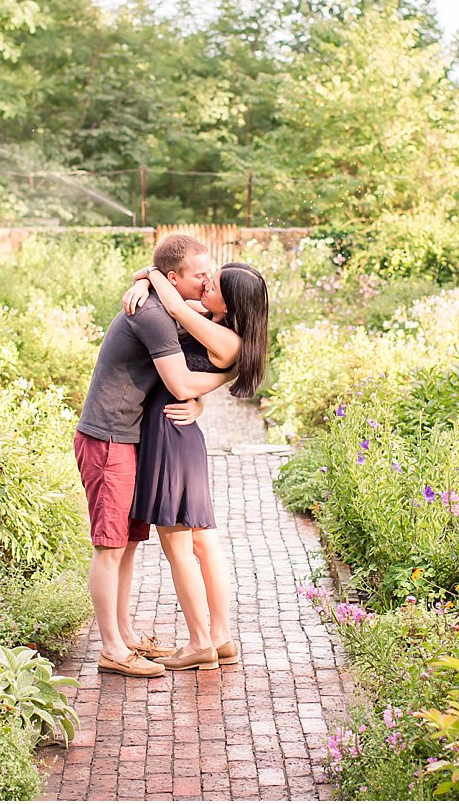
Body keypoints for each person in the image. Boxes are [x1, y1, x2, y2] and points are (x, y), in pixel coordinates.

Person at [72, 234, 230, 678]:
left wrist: (147, 275)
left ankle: (123, 634)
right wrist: (212, 386)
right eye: (200, 275)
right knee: (110, 547)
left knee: (128, 546)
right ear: (175, 279)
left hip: (130, 438)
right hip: (107, 438)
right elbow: (180, 384)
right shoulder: (155, 315)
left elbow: (195, 327)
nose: (207, 281)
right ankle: (110, 649)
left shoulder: (168, 302)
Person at [121, 261, 269, 672]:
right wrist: (144, 279)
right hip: (182, 434)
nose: (205, 283)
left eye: (214, 283)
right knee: (203, 541)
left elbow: (173, 306)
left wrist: (152, 275)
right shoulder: (221, 328)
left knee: (178, 545)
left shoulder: (219, 333)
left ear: (231, 300)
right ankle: (220, 638)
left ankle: (199, 642)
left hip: (169, 434)